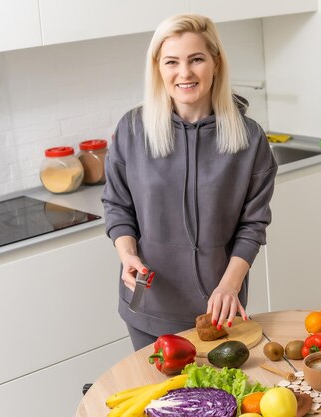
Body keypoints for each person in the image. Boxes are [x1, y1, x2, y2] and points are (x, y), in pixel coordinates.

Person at [101, 14, 277, 351]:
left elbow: (252, 225)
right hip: (148, 307)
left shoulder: (249, 139)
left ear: (216, 63)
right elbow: (117, 205)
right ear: (158, 68)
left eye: (196, 59)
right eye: (172, 62)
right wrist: (127, 254)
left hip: (217, 310)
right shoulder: (133, 130)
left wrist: (230, 287)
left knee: (224, 401)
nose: (184, 73)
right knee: (157, 400)